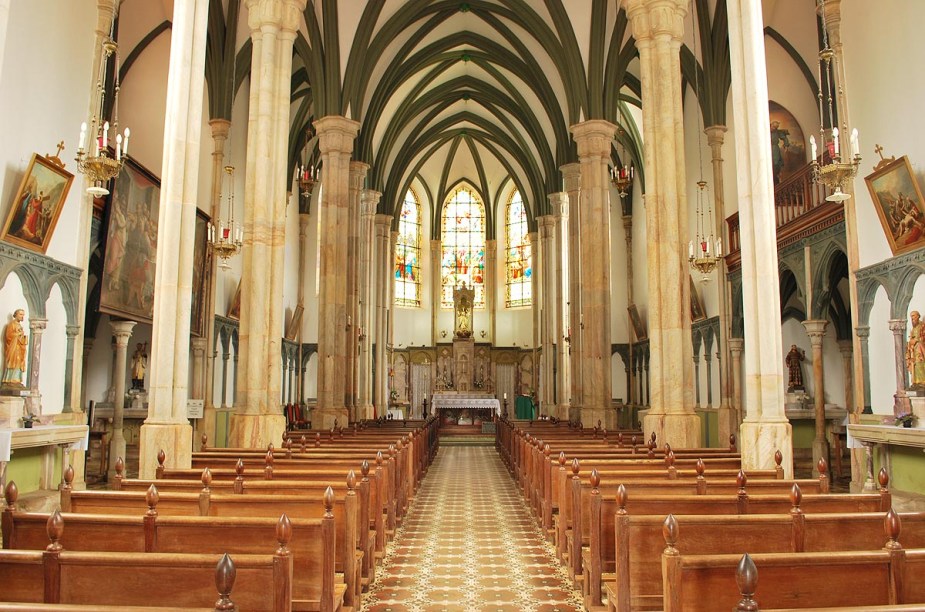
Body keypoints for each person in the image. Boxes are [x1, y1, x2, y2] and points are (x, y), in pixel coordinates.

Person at [2, 309, 28, 388]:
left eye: (23, 315)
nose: (22, 316)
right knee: (13, 362)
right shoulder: (11, 324)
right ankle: (10, 379)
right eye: (20, 314)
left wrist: (23, 337)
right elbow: (8, 336)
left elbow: (20, 336)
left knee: (19, 362)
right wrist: (18, 334)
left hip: (19, 348)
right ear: (16, 315)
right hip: (13, 348)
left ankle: (17, 379)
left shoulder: (19, 325)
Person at [906, 311, 925, 388]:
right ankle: (916, 382)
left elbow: (923, 336)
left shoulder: (922, 326)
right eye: (911, 316)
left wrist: (916, 340)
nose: (912, 318)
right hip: (914, 350)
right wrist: (910, 343)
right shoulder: (913, 328)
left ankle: (922, 382)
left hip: (921, 350)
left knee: (920, 364)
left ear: (918, 316)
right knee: (915, 365)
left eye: (913, 316)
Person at [770, 120, 790, 185]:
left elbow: (784, 138)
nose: (774, 128)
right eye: (773, 127)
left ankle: (776, 176)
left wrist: (786, 145)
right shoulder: (765, 131)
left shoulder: (777, 132)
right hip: (767, 148)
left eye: (775, 127)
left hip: (775, 149)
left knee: (776, 163)